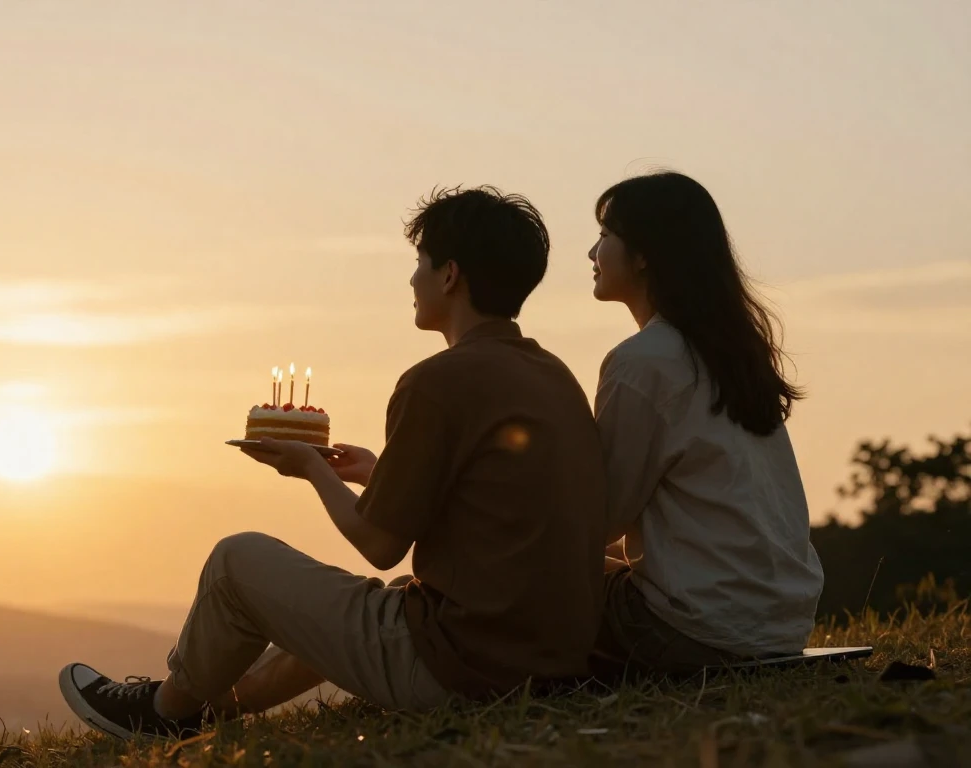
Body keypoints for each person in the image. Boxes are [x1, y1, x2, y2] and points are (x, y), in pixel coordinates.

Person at [57, 186, 608, 740]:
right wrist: (376, 472)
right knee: (377, 603)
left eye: (420, 264)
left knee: (236, 561)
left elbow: (379, 545)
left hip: (466, 673)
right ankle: (210, 711)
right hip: (551, 663)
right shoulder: (553, 375)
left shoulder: (436, 382)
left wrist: (311, 469)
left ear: (449, 276)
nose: (412, 280)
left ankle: (162, 712)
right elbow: (495, 504)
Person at [587, 171, 824, 676]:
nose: (592, 253)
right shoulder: (731, 354)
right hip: (778, 627)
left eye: (605, 236)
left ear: (644, 253)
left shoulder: (643, 361)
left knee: (519, 583)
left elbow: (602, 516)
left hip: (694, 631)